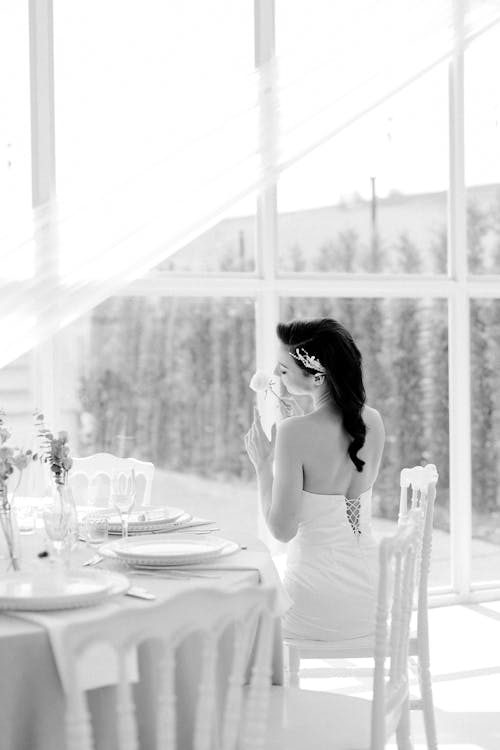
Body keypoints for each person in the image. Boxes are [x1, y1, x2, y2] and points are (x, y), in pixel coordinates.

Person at [244, 317, 385, 640]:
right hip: (373, 599)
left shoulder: (294, 432)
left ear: (317, 376)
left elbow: (281, 530)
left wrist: (263, 466)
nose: (278, 376)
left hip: (316, 602)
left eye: (284, 369)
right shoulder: (373, 420)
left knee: (244, 606)